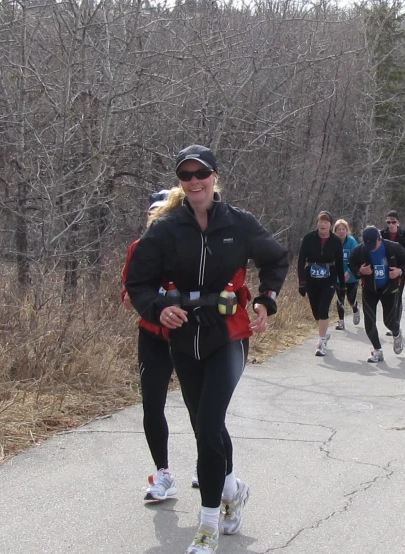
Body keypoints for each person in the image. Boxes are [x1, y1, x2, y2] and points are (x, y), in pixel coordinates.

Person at [126, 144, 289, 554]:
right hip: (184, 336)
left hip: (228, 334)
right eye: (186, 175)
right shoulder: (165, 228)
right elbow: (138, 282)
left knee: (211, 421)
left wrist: (265, 300)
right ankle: (233, 489)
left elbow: (276, 259)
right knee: (204, 425)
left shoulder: (239, 222)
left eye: (202, 173)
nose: (195, 181)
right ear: (180, 182)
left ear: (215, 176)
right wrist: (158, 308)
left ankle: (208, 522)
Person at [122, 193, 187, 502]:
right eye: (152, 215)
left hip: (189, 336)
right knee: (152, 403)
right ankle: (163, 473)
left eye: (163, 215)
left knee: (200, 406)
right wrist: (144, 299)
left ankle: (209, 465)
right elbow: (128, 295)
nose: (156, 221)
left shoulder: (189, 248)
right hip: (152, 336)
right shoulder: (138, 249)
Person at [348, 227, 405, 362]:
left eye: (373, 245)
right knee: (369, 321)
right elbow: (351, 263)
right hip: (370, 289)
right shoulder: (361, 250)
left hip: (389, 289)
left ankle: (396, 332)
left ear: (379, 238)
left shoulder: (393, 247)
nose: (371, 248)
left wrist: (399, 271)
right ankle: (377, 350)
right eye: (367, 245)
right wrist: (360, 271)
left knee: (388, 321)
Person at [297, 211, 345, 356]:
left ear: (330, 225)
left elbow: (340, 264)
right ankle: (323, 332)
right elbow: (300, 261)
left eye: (326, 222)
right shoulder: (309, 238)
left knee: (324, 309)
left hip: (329, 277)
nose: (322, 224)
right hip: (311, 276)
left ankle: (321, 342)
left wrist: (342, 285)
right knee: (316, 313)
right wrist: (301, 282)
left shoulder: (336, 241)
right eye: (320, 221)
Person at [380, 210, 405, 335]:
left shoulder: (404, 236)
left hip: (398, 271)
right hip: (384, 270)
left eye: (393, 222)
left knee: (397, 298)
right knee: (388, 298)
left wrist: (402, 270)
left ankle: (396, 325)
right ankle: (390, 323)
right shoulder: (381, 235)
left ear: (398, 222)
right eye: (388, 222)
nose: (391, 224)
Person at [333, 219, 360, 330]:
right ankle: (341, 322)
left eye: (343, 229)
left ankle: (355, 309)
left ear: (347, 230)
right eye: (339, 229)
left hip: (351, 276)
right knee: (340, 299)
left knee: (350, 298)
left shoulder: (352, 242)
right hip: (338, 277)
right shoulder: (333, 242)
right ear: (335, 231)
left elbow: (356, 258)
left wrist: (349, 272)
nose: (341, 231)